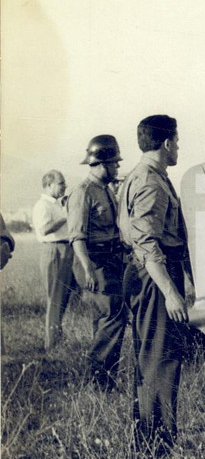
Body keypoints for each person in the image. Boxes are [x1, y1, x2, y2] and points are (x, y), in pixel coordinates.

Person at [119, 114, 191, 458]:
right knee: (161, 360)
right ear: (166, 143)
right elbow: (147, 243)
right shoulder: (151, 181)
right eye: (176, 141)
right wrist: (170, 292)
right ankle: (157, 445)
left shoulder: (141, 176)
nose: (178, 147)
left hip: (146, 274)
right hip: (155, 275)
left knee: (149, 358)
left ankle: (147, 439)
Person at [67, 135, 128, 391]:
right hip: (98, 262)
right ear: (102, 163)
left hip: (113, 259)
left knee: (106, 318)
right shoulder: (82, 193)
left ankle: (104, 379)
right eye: (114, 163)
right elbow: (77, 236)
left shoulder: (104, 190)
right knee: (113, 314)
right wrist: (88, 269)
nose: (117, 168)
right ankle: (99, 378)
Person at [32, 169, 73, 351]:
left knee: (62, 298)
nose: (64, 186)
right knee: (55, 299)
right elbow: (45, 229)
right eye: (61, 183)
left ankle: (56, 338)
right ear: (49, 185)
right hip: (54, 250)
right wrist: (66, 216)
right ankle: (51, 344)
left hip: (65, 249)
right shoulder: (43, 206)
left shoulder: (57, 204)